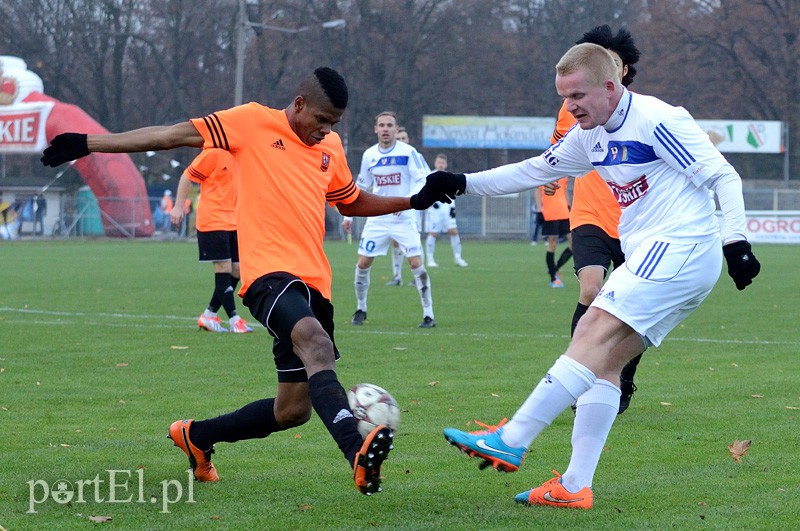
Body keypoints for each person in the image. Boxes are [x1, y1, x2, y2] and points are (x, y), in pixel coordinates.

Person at [40, 67, 439, 496]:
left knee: (292, 411)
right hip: (267, 275)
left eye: (334, 124)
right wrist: (85, 143)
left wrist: (413, 200)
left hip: (316, 285)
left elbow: (351, 200)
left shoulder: (331, 147)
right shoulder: (250, 122)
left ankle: (197, 435)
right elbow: (168, 136)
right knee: (317, 344)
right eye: (320, 120)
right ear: (299, 104)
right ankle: (355, 451)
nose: (325, 131)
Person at [419, 43, 760, 509]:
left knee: (592, 328)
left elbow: (724, 177)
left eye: (577, 94)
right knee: (606, 364)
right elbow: (534, 169)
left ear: (609, 85)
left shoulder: (658, 119)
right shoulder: (589, 135)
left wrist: (735, 241)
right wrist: (462, 183)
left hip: (680, 246)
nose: (570, 105)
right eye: (563, 96)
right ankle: (575, 486)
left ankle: (513, 436)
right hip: (665, 257)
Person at [552, 25, 643, 413]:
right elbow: (559, 147)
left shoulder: (644, 112)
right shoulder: (575, 105)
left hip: (635, 221)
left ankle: (622, 379)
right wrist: (553, 175)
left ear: (622, 70)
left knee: (632, 308)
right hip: (589, 213)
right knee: (591, 290)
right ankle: (579, 378)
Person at [341, 111, 436, 328]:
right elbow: (361, 187)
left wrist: (406, 202)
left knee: (415, 263)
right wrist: (348, 214)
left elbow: (422, 180)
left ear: (396, 129)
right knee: (363, 262)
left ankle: (428, 314)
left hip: (403, 218)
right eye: (381, 125)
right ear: (375, 129)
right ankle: (361, 308)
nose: (385, 129)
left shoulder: (408, 152)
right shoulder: (369, 155)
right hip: (377, 219)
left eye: (389, 125)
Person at [169, 148, 253, 334]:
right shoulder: (213, 153)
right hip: (213, 221)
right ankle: (234, 319)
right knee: (223, 268)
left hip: (235, 222)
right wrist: (178, 206)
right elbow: (186, 176)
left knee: (238, 270)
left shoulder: (243, 153)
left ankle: (209, 314)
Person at [424, 154, 468, 268]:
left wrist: (452, 209)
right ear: (435, 163)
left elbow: (453, 193)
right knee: (433, 233)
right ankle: (430, 259)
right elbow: (425, 192)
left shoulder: (450, 176)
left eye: (443, 162)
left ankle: (458, 258)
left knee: (454, 232)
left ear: (446, 164)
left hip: (447, 210)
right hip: (434, 210)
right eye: (439, 162)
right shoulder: (429, 176)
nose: (440, 164)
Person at [384, 125, 414, 286]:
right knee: (395, 242)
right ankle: (397, 276)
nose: (402, 141)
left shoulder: (413, 156)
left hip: (411, 206)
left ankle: (416, 276)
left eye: (404, 138)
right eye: (400, 138)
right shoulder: (393, 158)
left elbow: (422, 180)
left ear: (409, 140)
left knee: (411, 243)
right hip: (394, 206)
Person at [538, 177, 572, 287]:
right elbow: (537, 191)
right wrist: (539, 210)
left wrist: (569, 205)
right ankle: (553, 278)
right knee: (552, 243)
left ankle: (554, 268)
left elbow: (565, 189)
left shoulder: (564, 172)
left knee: (574, 244)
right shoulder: (546, 170)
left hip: (564, 211)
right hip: (550, 212)